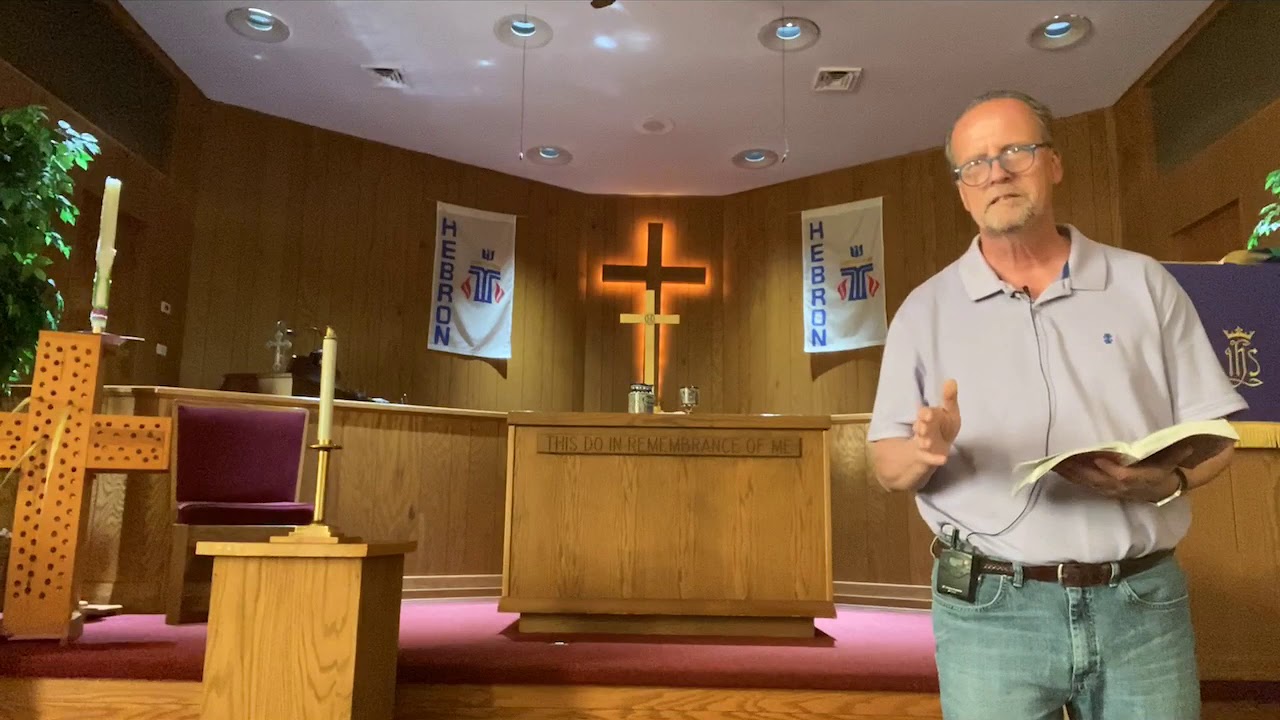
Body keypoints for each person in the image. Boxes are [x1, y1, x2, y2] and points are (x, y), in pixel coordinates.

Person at [867, 90, 1248, 720]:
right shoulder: (925, 310)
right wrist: (924, 452)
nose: (997, 173)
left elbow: (1218, 438)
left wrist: (1163, 480)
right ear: (963, 191)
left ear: (1054, 164)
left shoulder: (1145, 284)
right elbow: (886, 466)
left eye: (1016, 151)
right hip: (990, 610)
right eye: (976, 164)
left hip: (1141, 601)